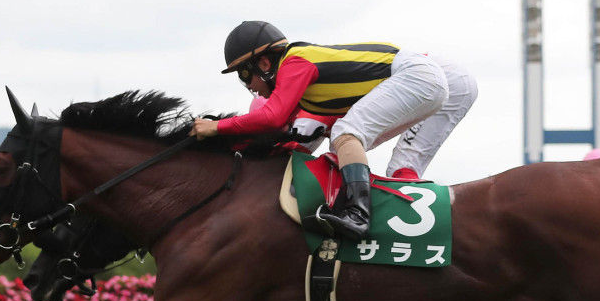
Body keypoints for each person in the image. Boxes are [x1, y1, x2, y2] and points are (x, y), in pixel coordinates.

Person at [192, 20, 477, 240]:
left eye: (245, 75)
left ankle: (358, 214)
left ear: (264, 63)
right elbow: (281, 135)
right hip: (433, 77)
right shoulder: (308, 93)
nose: (249, 87)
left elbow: (273, 119)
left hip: (424, 75)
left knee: (346, 134)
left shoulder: (295, 62)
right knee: (389, 165)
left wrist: (216, 128)